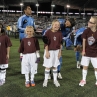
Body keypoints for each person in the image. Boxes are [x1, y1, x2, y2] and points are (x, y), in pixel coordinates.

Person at [42, 19, 63, 87]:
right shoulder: (48, 32)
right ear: (52, 25)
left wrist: (60, 52)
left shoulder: (60, 33)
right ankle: (46, 80)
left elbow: (60, 43)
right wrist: (47, 52)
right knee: (48, 66)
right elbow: (46, 43)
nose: (57, 26)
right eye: (55, 25)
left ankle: (55, 80)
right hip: (49, 51)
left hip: (56, 51)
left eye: (58, 25)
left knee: (55, 66)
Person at [79, 16, 97, 87]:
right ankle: (84, 80)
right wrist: (83, 50)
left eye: (90, 22)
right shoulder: (86, 31)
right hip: (86, 52)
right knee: (85, 67)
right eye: (89, 21)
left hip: (95, 53)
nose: (88, 23)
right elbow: (84, 41)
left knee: (96, 68)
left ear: (95, 24)